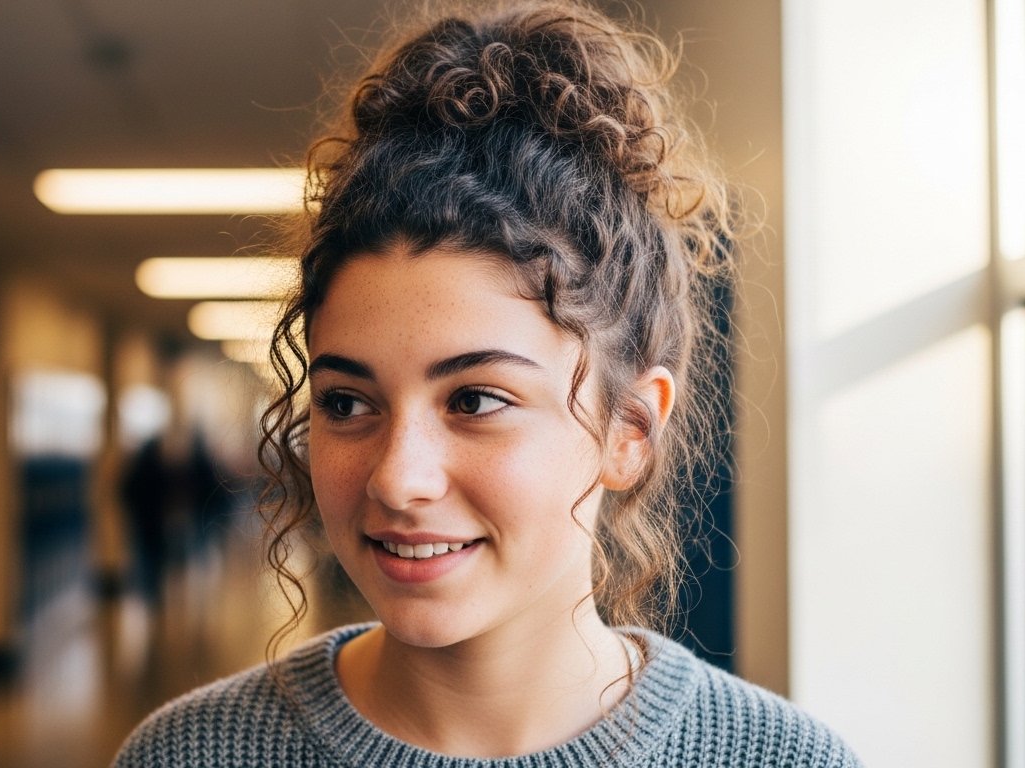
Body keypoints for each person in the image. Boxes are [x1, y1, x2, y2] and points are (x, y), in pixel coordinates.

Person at [115, 1, 861, 765]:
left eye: (475, 400)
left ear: (630, 429)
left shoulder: (778, 758)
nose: (398, 478)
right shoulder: (189, 754)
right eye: (347, 403)